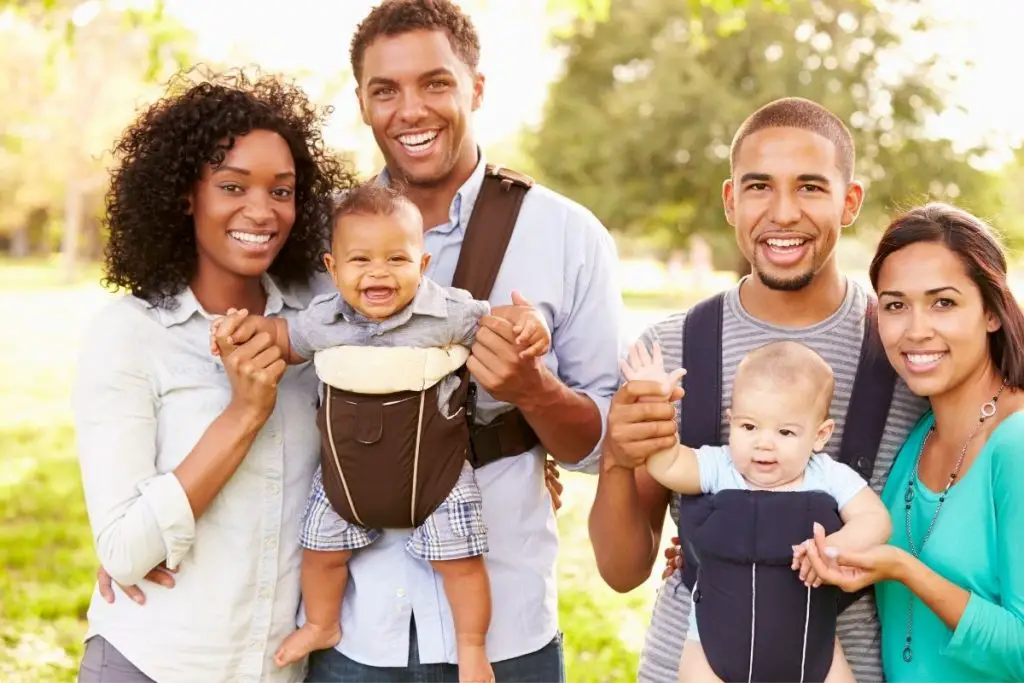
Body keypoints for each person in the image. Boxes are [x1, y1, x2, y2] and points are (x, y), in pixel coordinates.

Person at [299, 1, 623, 680]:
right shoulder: (319, 242)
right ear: (361, 102)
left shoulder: (567, 235)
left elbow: (597, 445)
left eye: (435, 83)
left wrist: (533, 390)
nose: (410, 109)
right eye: (385, 90)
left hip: (505, 631)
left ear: (476, 87)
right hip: (356, 632)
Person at [589, 96, 929, 683]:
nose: (784, 212)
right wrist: (619, 459)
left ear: (849, 203)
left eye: (811, 187)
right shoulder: (672, 350)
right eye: (758, 187)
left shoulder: (904, 351)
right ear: (730, 200)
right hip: (692, 663)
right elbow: (621, 572)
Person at [73, 70, 357, 682]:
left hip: (279, 669)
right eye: (232, 186)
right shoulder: (130, 333)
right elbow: (123, 551)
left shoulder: (320, 325)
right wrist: (244, 413)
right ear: (184, 195)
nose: (262, 211)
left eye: (282, 191)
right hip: (152, 662)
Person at [209, 181, 551, 683]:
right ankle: (323, 623)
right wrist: (240, 332)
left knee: (461, 564)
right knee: (322, 551)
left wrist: (530, 321)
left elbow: (500, 321)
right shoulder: (323, 321)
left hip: (436, 477)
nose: (378, 272)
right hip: (347, 478)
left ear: (423, 264)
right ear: (332, 268)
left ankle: (472, 647)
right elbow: (282, 338)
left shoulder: (446, 312)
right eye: (361, 260)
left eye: (396, 259)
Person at [800, 202, 1024, 682]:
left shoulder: (1016, 444)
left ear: (991, 312)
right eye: (895, 305)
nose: (916, 330)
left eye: (943, 302)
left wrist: (905, 570)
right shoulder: (917, 436)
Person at [622, 339, 889, 682]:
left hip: (812, 647)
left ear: (820, 435)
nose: (764, 442)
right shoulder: (720, 468)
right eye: (748, 427)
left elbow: (875, 519)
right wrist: (654, 404)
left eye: (786, 431)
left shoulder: (827, 476)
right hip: (712, 647)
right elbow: (667, 464)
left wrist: (834, 549)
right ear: (731, 422)